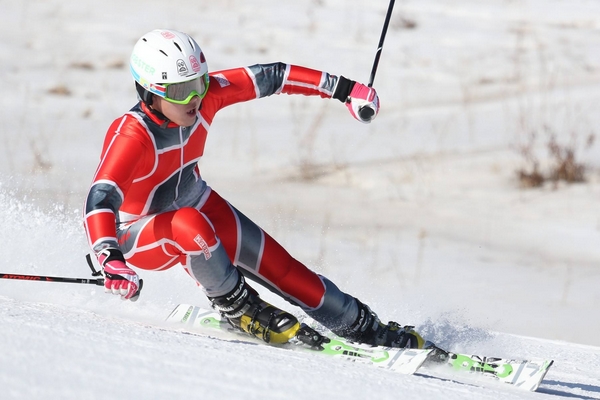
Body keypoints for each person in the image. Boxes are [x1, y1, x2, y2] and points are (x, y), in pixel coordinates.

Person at [84, 29, 425, 348]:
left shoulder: (206, 97)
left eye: (199, 82)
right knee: (188, 222)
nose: (194, 98)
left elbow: (273, 75)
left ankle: (365, 327)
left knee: (292, 275)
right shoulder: (132, 135)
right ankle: (238, 307)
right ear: (149, 92)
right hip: (140, 234)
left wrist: (346, 90)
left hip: (197, 205)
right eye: (179, 90)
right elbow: (101, 196)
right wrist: (111, 259)